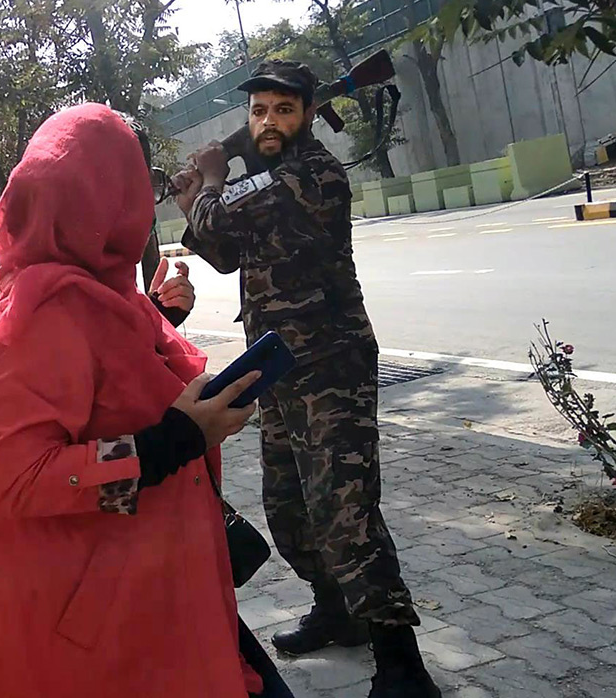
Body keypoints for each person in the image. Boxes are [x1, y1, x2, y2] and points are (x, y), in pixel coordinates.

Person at [0, 103, 295, 698]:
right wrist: (174, 440)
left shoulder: (81, 287)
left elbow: (96, 382)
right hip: (105, 614)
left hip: (144, 576)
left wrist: (164, 318)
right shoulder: (45, 308)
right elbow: (19, 479)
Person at [177, 60, 441, 698]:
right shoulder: (265, 181)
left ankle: (403, 665)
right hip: (280, 370)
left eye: (283, 110)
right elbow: (220, 250)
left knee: (345, 510)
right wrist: (197, 196)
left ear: (307, 113)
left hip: (331, 365)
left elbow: (220, 217)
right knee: (290, 507)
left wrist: (208, 180)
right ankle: (336, 609)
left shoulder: (312, 174)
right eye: (259, 110)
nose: (268, 121)